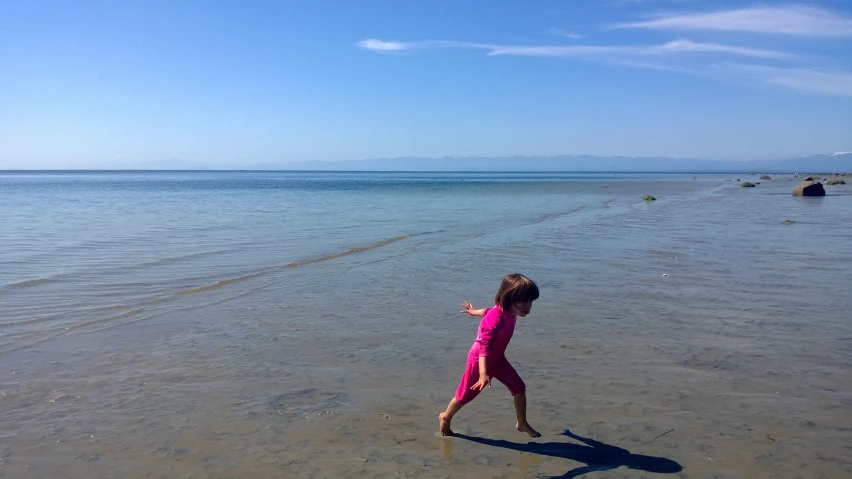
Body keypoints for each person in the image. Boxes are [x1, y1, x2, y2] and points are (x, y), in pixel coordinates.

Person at [438, 273, 541, 437]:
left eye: (530, 302)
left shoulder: (508, 312)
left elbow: (487, 311)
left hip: (498, 359)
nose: (528, 306)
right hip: (479, 361)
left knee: (519, 388)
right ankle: (445, 416)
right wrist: (483, 374)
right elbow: (484, 348)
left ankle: (521, 423)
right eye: (524, 301)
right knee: (465, 394)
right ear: (509, 298)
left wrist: (473, 312)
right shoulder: (496, 320)